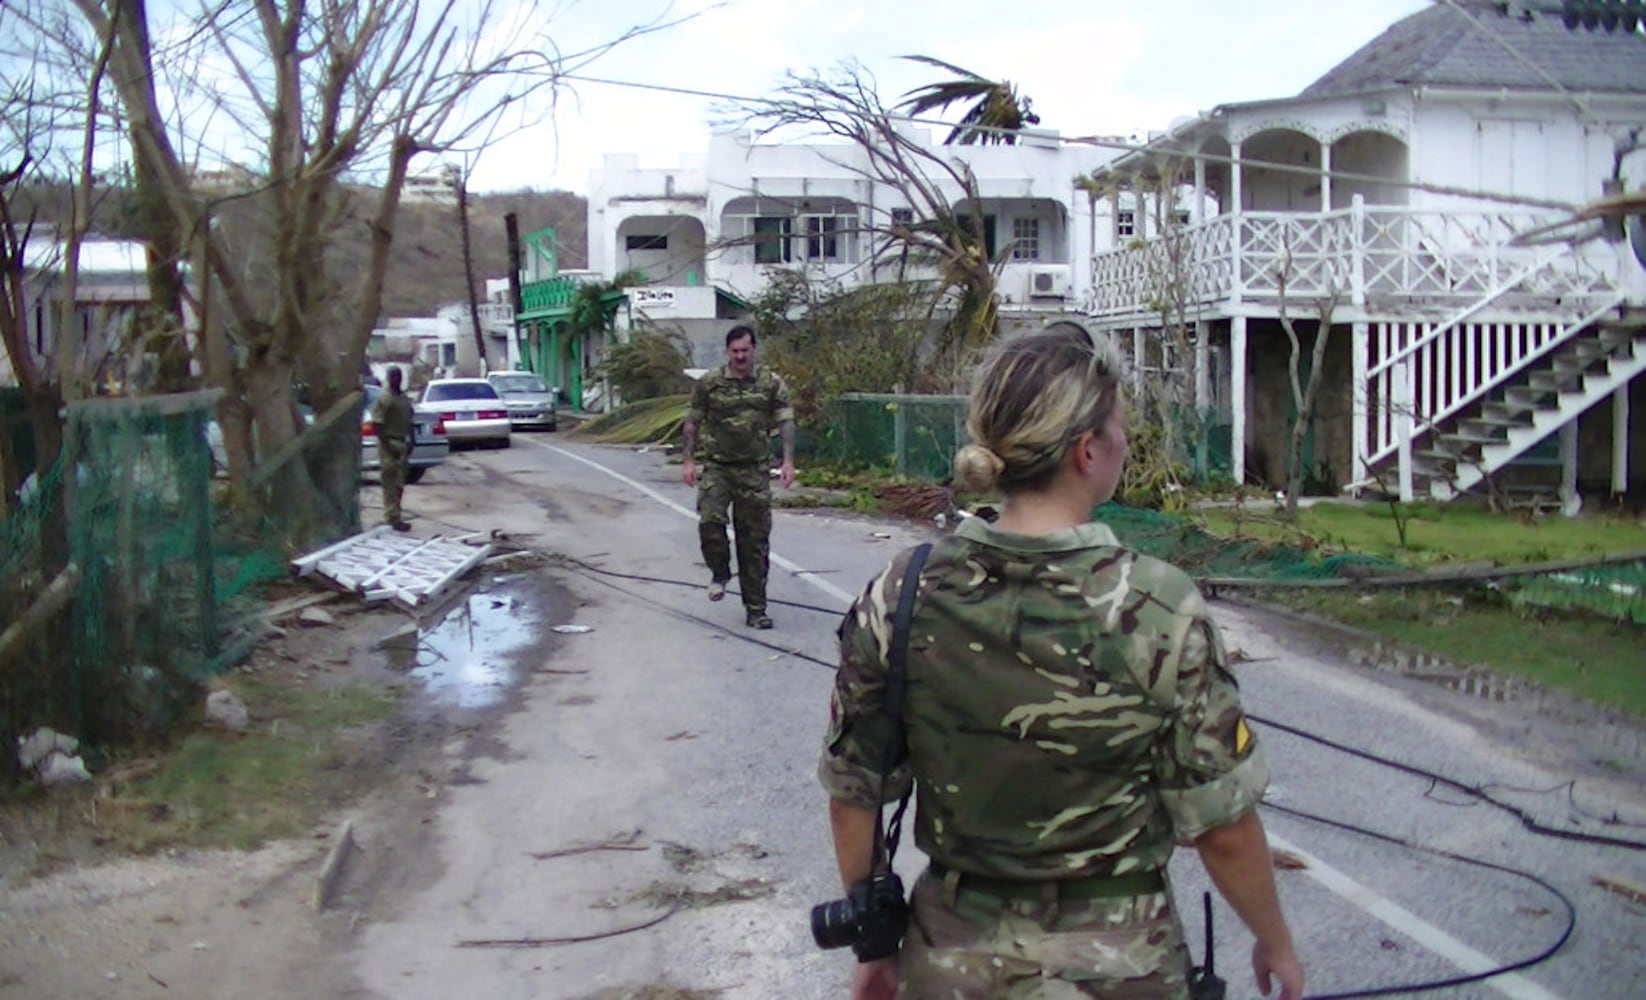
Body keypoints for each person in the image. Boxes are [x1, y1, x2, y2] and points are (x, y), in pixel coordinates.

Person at [819, 329, 1303, 1000]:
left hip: (953, 963)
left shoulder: (900, 595)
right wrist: (1275, 941)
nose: (1126, 443)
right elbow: (1221, 828)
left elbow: (855, 797)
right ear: (1087, 450)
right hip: (1122, 967)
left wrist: (874, 945)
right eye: (1120, 428)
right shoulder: (1160, 606)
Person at [681, 325, 796, 629]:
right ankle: (720, 571)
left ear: (754, 350)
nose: (741, 356)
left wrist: (787, 461)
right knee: (710, 521)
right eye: (735, 352)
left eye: (745, 351)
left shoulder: (771, 383)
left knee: (754, 542)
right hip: (718, 467)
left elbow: (786, 420)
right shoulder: (710, 383)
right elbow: (692, 421)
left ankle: (756, 609)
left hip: (754, 470)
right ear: (727, 352)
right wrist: (689, 461)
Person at [371, 366, 415, 532]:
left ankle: (397, 515)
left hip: (402, 442)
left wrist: (412, 441)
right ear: (389, 378)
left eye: (399, 376)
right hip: (389, 442)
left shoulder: (403, 398)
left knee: (399, 483)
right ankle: (391, 517)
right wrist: (388, 446)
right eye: (393, 376)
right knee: (390, 481)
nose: (397, 379)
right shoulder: (385, 398)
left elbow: (410, 419)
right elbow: (377, 424)